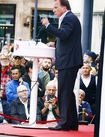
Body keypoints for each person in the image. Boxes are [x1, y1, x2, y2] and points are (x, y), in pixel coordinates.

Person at [41, 0, 82, 131]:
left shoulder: (69, 18)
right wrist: (56, 44)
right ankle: (72, 123)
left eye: (55, 7)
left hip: (68, 61)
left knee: (64, 92)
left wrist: (48, 25)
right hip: (69, 60)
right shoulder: (69, 18)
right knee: (67, 92)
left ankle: (64, 123)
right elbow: (67, 38)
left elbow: (64, 34)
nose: (53, 10)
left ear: (64, 7)